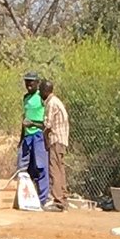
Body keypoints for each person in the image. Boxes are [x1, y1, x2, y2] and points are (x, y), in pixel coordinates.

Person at [18, 75, 54, 209]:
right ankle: (24, 197)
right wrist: (21, 138)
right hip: (27, 136)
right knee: (23, 167)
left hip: (38, 135)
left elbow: (46, 123)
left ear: (37, 83)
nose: (28, 85)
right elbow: (24, 119)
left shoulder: (41, 97)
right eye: (26, 82)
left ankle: (43, 199)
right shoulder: (25, 98)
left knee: (41, 166)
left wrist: (33, 123)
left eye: (31, 83)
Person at [44, 79, 73, 208]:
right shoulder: (58, 102)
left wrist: (32, 123)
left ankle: (58, 201)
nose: (39, 93)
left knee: (54, 169)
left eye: (40, 91)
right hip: (62, 140)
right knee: (60, 169)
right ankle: (63, 197)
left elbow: (48, 124)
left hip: (56, 139)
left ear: (46, 91)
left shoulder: (51, 103)